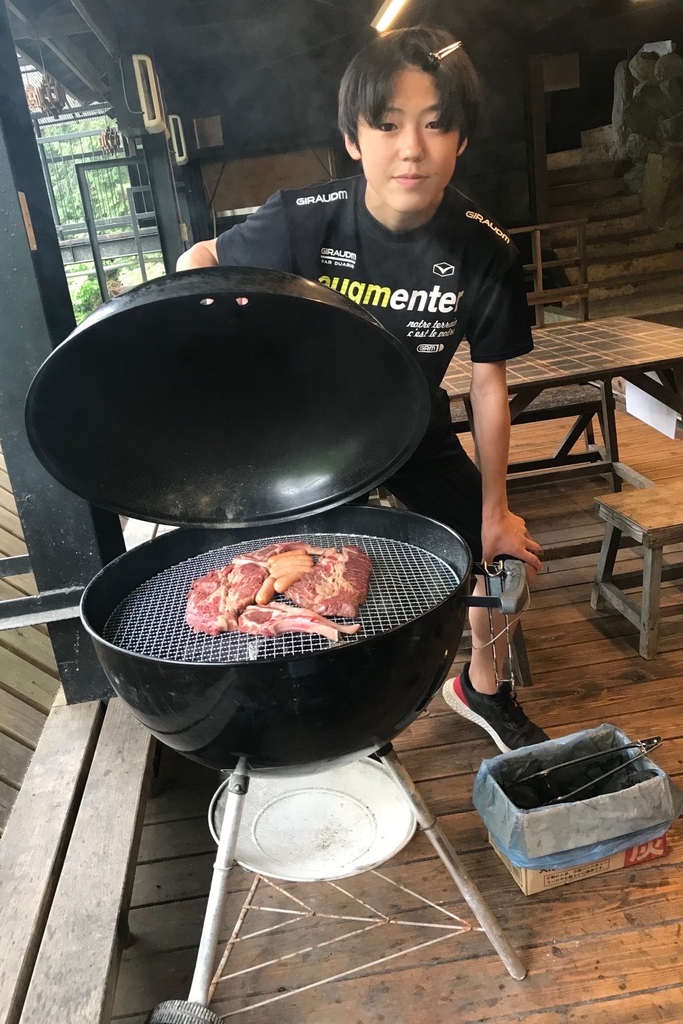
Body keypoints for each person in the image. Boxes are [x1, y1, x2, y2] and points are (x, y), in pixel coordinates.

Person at [177, 25, 548, 752]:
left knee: (504, 559)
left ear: (461, 139)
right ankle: (338, 712)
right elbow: (202, 259)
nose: (411, 149)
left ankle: (483, 685)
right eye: (386, 125)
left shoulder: (484, 248)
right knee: (307, 577)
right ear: (353, 138)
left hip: (411, 424)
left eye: (435, 125)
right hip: (303, 437)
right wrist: (220, 338)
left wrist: (496, 512)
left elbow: (488, 382)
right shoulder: (302, 219)